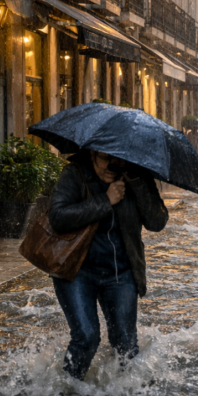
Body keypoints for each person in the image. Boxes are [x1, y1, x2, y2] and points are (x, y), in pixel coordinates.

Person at [47, 150, 169, 380]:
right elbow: (58, 216)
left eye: (119, 159)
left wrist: (136, 184)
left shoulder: (135, 176)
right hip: (77, 270)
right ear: (92, 153)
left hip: (121, 273)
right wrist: (105, 200)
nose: (112, 166)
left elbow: (157, 222)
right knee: (86, 336)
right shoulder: (75, 173)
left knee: (126, 345)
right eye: (105, 158)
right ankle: (69, 393)